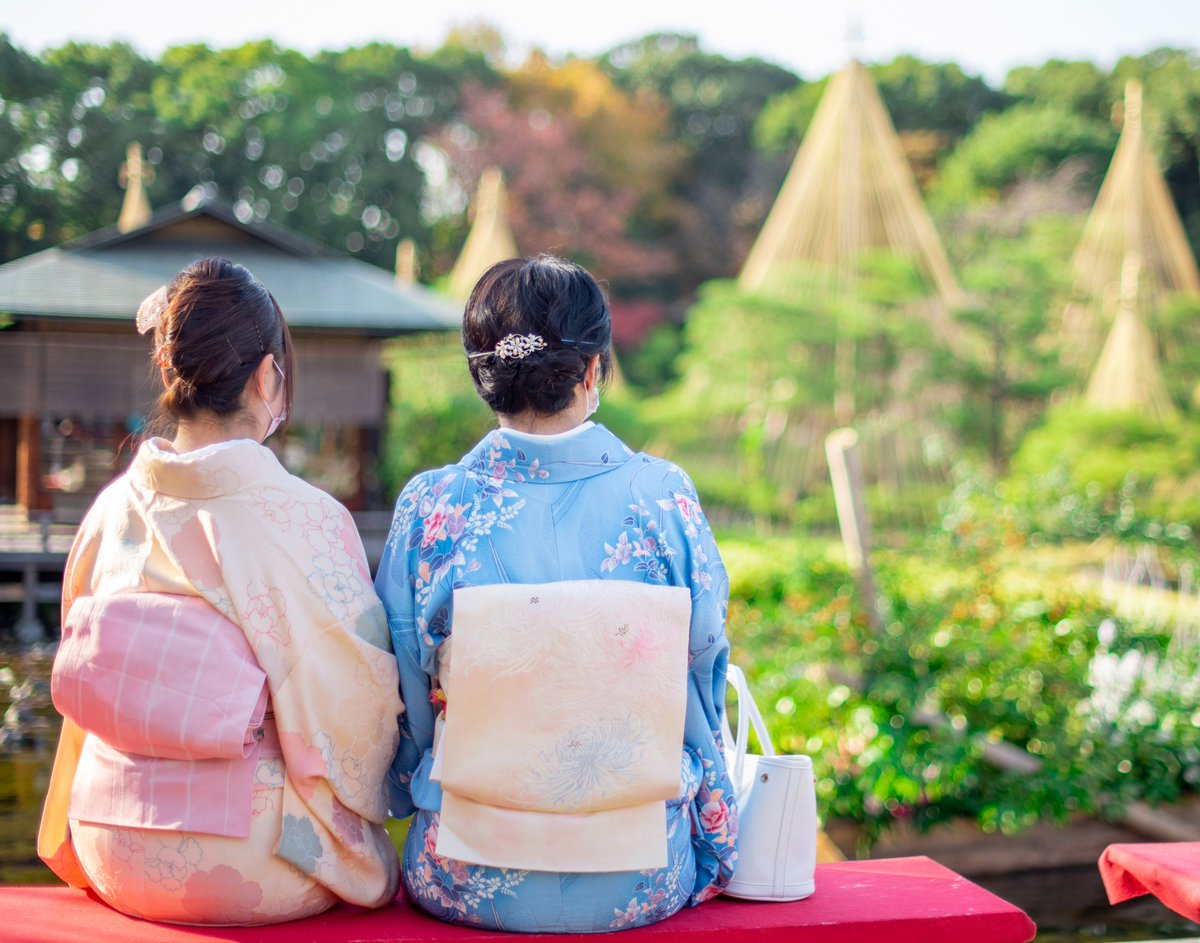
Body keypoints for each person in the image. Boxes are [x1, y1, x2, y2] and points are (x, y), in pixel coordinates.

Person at [376, 255, 737, 933]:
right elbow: (702, 667)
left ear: (484, 377)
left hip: (463, 870)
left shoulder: (430, 505)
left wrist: (417, 778)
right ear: (594, 368)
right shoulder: (661, 497)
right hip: (640, 871)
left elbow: (401, 680)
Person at [37, 257, 403, 925]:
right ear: (267, 375)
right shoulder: (306, 519)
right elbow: (357, 708)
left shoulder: (110, 511)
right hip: (249, 860)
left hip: (107, 836)